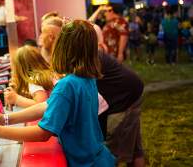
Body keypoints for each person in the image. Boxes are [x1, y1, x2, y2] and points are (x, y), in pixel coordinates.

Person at [0, 20, 116, 167]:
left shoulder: (67, 85)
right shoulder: (86, 78)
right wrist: (5, 119)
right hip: (100, 157)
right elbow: (47, 105)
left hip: (86, 163)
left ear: (62, 48)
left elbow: (43, 133)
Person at [39, 15, 145, 167]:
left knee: (120, 146)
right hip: (125, 93)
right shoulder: (85, 70)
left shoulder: (75, 78)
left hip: (126, 95)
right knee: (131, 145)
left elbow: (44, 131)